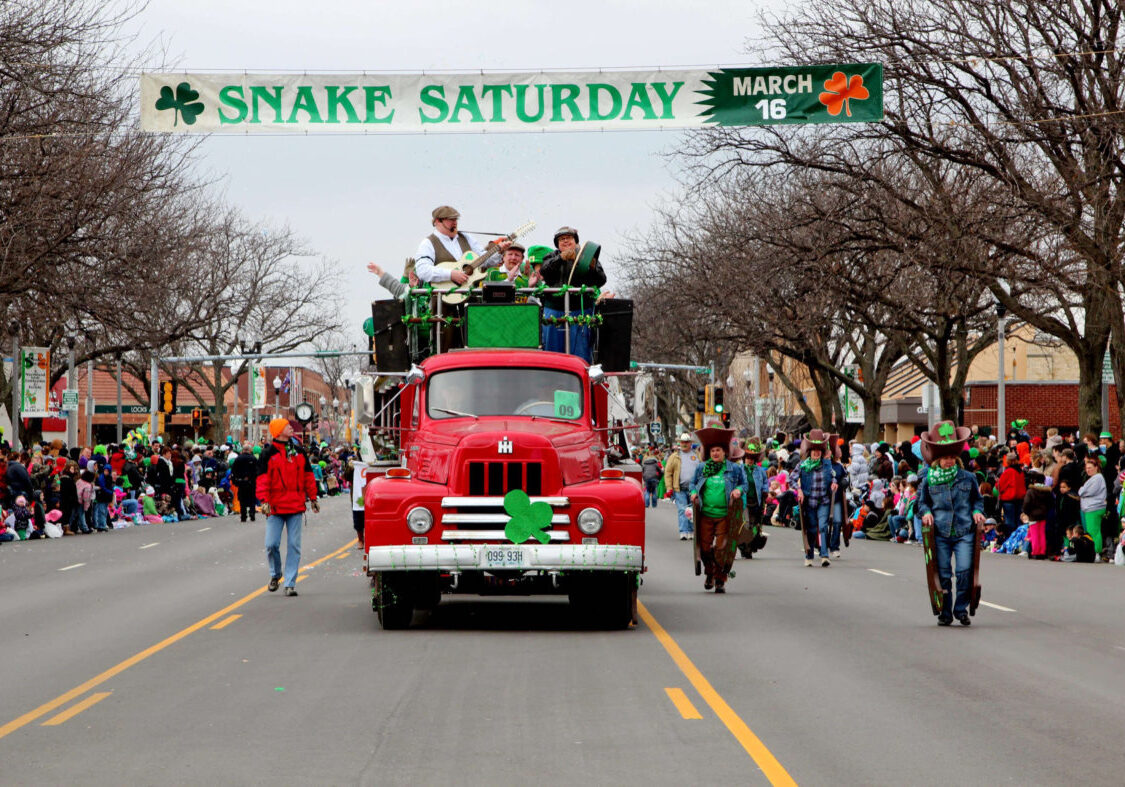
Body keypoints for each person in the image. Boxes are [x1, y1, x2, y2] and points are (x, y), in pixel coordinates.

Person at [916, 420, 985, 626]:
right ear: (938, 459)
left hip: (964, 530)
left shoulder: (968, 478)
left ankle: (960, 609)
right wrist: (926, 512)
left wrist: (977, 512)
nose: (949, 461)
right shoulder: (928, 480)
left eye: (952, 457)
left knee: (964, 571)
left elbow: (977, 500)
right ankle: (945, 612)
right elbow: (921, 503)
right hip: (940, 531)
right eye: (945, 458)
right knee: (944, 573)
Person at [256, 418, 319, 596]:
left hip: (296, 506)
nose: (291, 428)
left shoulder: (299, 452)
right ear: (278, 431)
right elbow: (262, 479)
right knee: (271, 544)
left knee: (294, 545)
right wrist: (264, 501)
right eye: (287, 426)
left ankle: (290, 583)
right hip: (275, 507)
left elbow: (308, 476)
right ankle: (275, 574)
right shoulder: (267, 453)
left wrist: (313, 498)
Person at [688, 427, 747, 593]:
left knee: (722, 549)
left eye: (718, 450)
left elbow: (744, 484)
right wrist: (693, 493)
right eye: (712, 451)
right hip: (706, 514)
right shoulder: (702, 468)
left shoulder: (734, 468)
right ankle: (710, 573)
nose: (715, 453)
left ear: (724, 452)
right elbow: (692, 484)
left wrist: (738, 490)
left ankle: (720, 579)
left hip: (724, 515)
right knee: (705, 548)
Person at [539, 226, 607, 362]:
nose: (565, 241)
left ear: (575, 241)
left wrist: (592, 267)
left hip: (580, 310)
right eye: (561, 239)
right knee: (552, 353)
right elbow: (544, 271)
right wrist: (560, 258)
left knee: (581, 352)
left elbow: (601, 280)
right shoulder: (550, 257)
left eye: (569, 238)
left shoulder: (587, 257)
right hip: (554, 311)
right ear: (557, 244)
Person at [412, 205, 505, 285]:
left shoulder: (467, 238)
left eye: (456, 219)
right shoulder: (428, 243)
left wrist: (500, 251)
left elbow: (485, 261)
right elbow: (422, 270)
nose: (455, 222)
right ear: (438, 221)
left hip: (470, 294)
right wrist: (450, 274)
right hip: (441, 297)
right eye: (450, 219)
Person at [795, 429, 836, 567]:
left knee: (823, 526)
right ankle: (809, 555)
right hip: (809, 502)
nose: (817, 453)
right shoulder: (802, 465)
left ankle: (824, 556)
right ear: (810, 451)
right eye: (814, 450)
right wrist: (799, 490)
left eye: (819, 450)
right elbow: (792, 479)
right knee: (812, 529)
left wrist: (834, 483)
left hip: (823, 501)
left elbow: (833, 476)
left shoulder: (826, 464)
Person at [736, 437, 769, 559]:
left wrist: (765, 490)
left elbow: (765, 482)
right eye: (748, 457)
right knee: (746, 525)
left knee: (755, 526)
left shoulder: (760, 471)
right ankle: (745, 548)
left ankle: (749, 547)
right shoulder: (739, 469)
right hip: (743, 501)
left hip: (756, 501)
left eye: (752, 458)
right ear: (744, 458)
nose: (750, 460)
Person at [663, 433, 700, 540]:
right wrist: (669, 488)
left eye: (686, 442)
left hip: (694, 489)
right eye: (682, 442)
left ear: (690, 443)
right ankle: (684, 531)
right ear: (679, 443)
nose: (684, 444)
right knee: (682, 510)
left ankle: (691, 531)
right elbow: (668, 473)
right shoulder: (674, 457)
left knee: (692, 511)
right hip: (679, 489)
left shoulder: (697, 455)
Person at [1077, 455, 1106, 561]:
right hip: (1091, 508)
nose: (1088, 470)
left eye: (1090, 468)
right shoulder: (1094, 478)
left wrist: (1082, 490)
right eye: (1087, 468)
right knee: (1092, 531)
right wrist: (1082, 490)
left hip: (1094, 508)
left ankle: (1096, 552)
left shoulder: (1097, 478)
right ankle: (1093, 552)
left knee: (1094, 532)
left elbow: (1086, 491)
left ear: (1096, 467)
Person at [230, 444, 259, 522]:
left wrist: (235, 481)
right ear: (250, 450)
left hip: (241, 482)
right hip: (251, 482)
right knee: (252, 498)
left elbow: (234, 471)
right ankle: (252, 514)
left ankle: (243, 515)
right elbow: (257, 471)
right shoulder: (253, 458)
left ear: (243, 450)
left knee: (242, 499)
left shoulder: (238, 459)